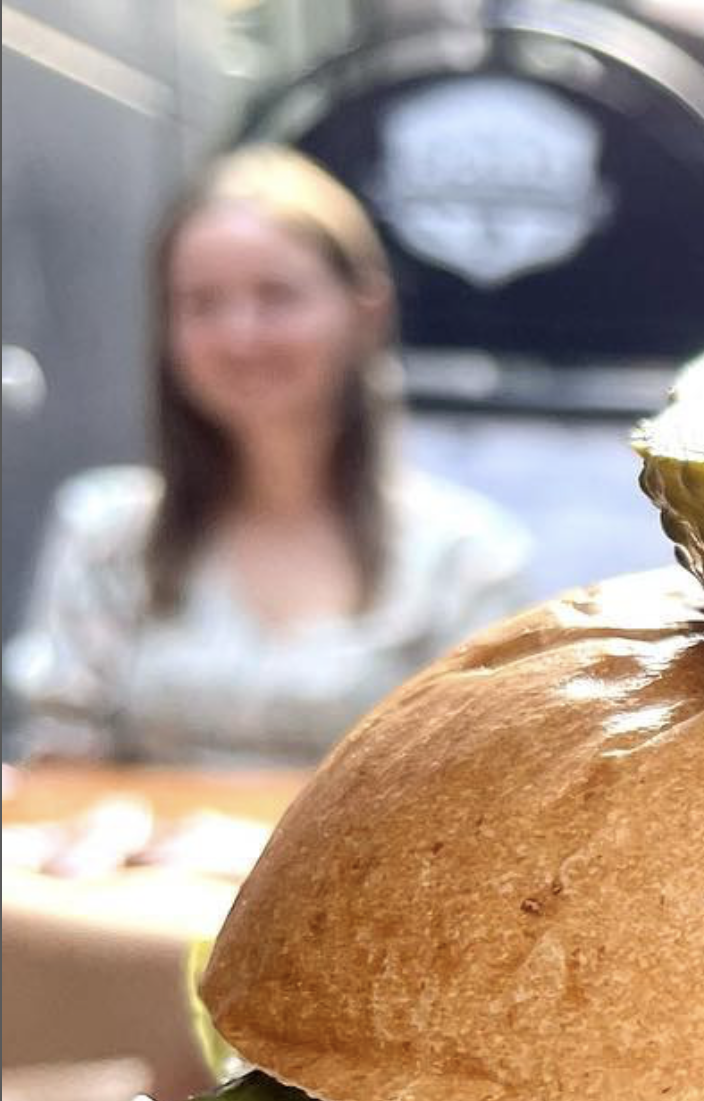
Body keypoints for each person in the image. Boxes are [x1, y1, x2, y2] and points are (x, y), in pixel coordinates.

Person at [5, 147, 531, 768]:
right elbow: (57, 768)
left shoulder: (466, 560)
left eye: (276, 296)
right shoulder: (107, 533)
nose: (241, 336)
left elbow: (478, 785)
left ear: (367, 312)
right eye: (203, 303)